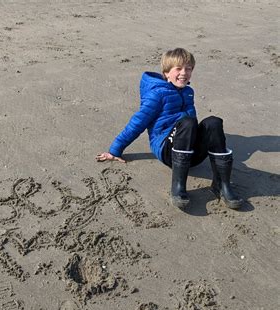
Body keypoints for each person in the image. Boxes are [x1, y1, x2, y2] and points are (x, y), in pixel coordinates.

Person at [96, 48, 243, 209]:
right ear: (166, 73)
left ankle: (221, 185)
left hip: (190, 151)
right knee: (187, 122)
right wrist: (115, 150)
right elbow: (137, 123)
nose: (183, 73)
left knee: (213, 122)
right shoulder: (157, 95)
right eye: (178, 69)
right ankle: (178, 188)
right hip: (168, 150)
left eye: (188, 69)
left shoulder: (188, 92)